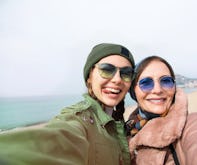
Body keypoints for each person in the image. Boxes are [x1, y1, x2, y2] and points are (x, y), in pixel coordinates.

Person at [0, 43, 135, 165]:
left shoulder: (118, 123)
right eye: (107, 69)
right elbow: (59, 139)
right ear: (90, 76)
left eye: (126, 73)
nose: (117, 79)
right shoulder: (80, 119)